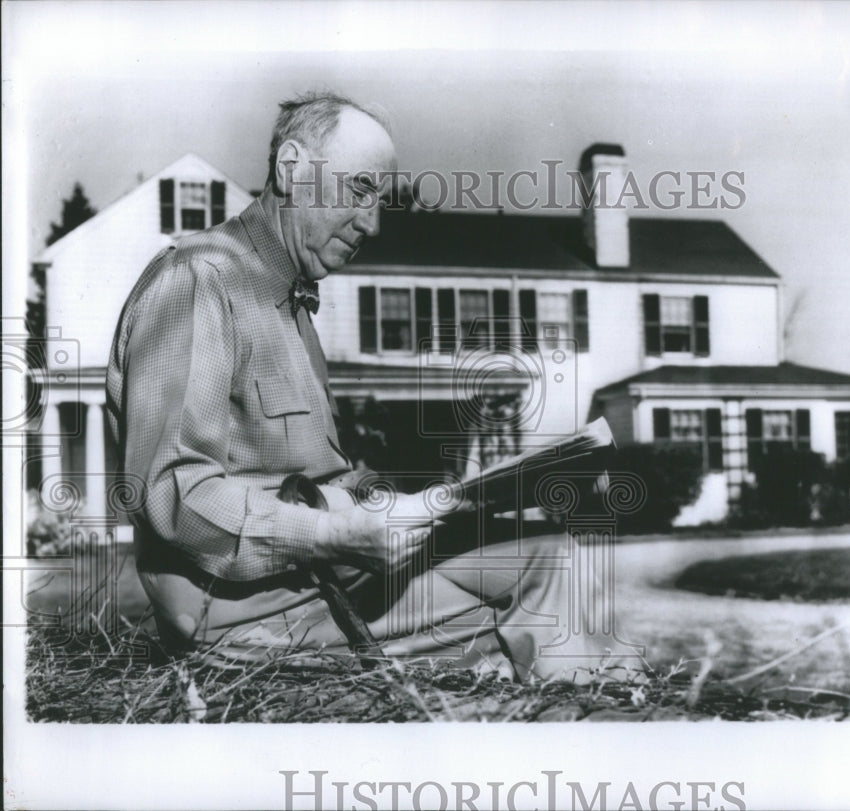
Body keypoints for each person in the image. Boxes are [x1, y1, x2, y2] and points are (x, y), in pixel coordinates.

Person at [106, 92, 639, 682]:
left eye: (379, 200)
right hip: (240, 618)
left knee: (546, 553)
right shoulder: (198, 280)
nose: (373, 222)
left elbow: (312, 479)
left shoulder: (290, 303)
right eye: (359, 190)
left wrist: (410, 504)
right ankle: (593, 721)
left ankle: (593, 697)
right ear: (292, 169)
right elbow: (174, 496)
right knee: (528, 629)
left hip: (319, 582)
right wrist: (335, 533)